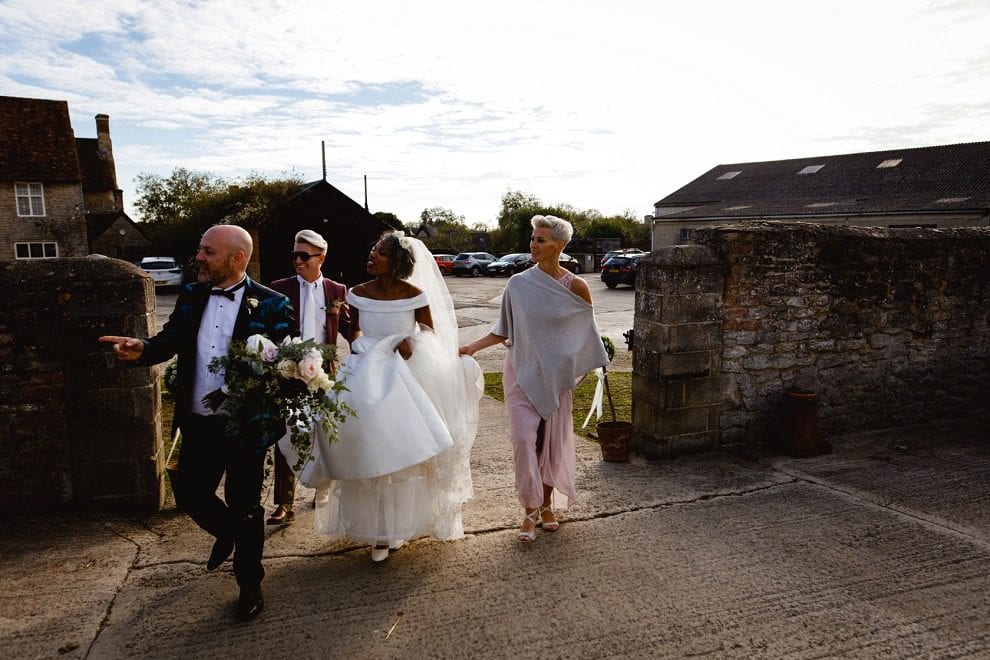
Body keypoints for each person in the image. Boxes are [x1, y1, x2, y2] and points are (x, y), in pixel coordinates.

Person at [99, 224, 294, 621]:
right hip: (198, 420)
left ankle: (249, 583)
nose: (199, 258)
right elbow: (171, 340)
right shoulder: (191, 294)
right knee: (189, 493)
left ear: (237, 258)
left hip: (245, 425)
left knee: (245, 506)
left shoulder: (272, 304)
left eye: (208, 252)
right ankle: (229, 533)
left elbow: (287, 363)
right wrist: (143, 349)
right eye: (200, 250)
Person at [279, 231, 483, 561]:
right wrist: (359, 343)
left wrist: (411, 341)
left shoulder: (415, 294)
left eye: (380, 252)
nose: (371, 255)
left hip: (406, 374)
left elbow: (429, 330)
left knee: (402, 452)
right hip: (365, 372)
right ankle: (377, 534)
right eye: (372, 249)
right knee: (367, 446)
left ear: (397, 262)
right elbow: (355, 330)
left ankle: (397, 528)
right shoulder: (357, 293)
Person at [459, 215, 608, 543]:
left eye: (541, 240)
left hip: (556, 379)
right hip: (521, 371)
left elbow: (584, 335)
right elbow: (503, 329)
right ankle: (529, 509)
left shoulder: (577, 287)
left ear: (560, 245)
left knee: (550, 445)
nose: (533, 245)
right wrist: (472, 346)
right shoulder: (518, 284)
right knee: (525, 441)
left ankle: (547, 506)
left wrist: (577, 364)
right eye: (533, 239)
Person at [267, 229, 351, 526]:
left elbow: (349, 328)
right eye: (295, 255)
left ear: (321, 257)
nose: (298, 261)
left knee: (324, 434)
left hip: (325, 374)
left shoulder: (337, 290)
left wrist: (366, 350)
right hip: (288, 372)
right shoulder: (279, 288)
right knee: (286, 436)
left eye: (304, 256)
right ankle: (284, 504)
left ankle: (322, 489)